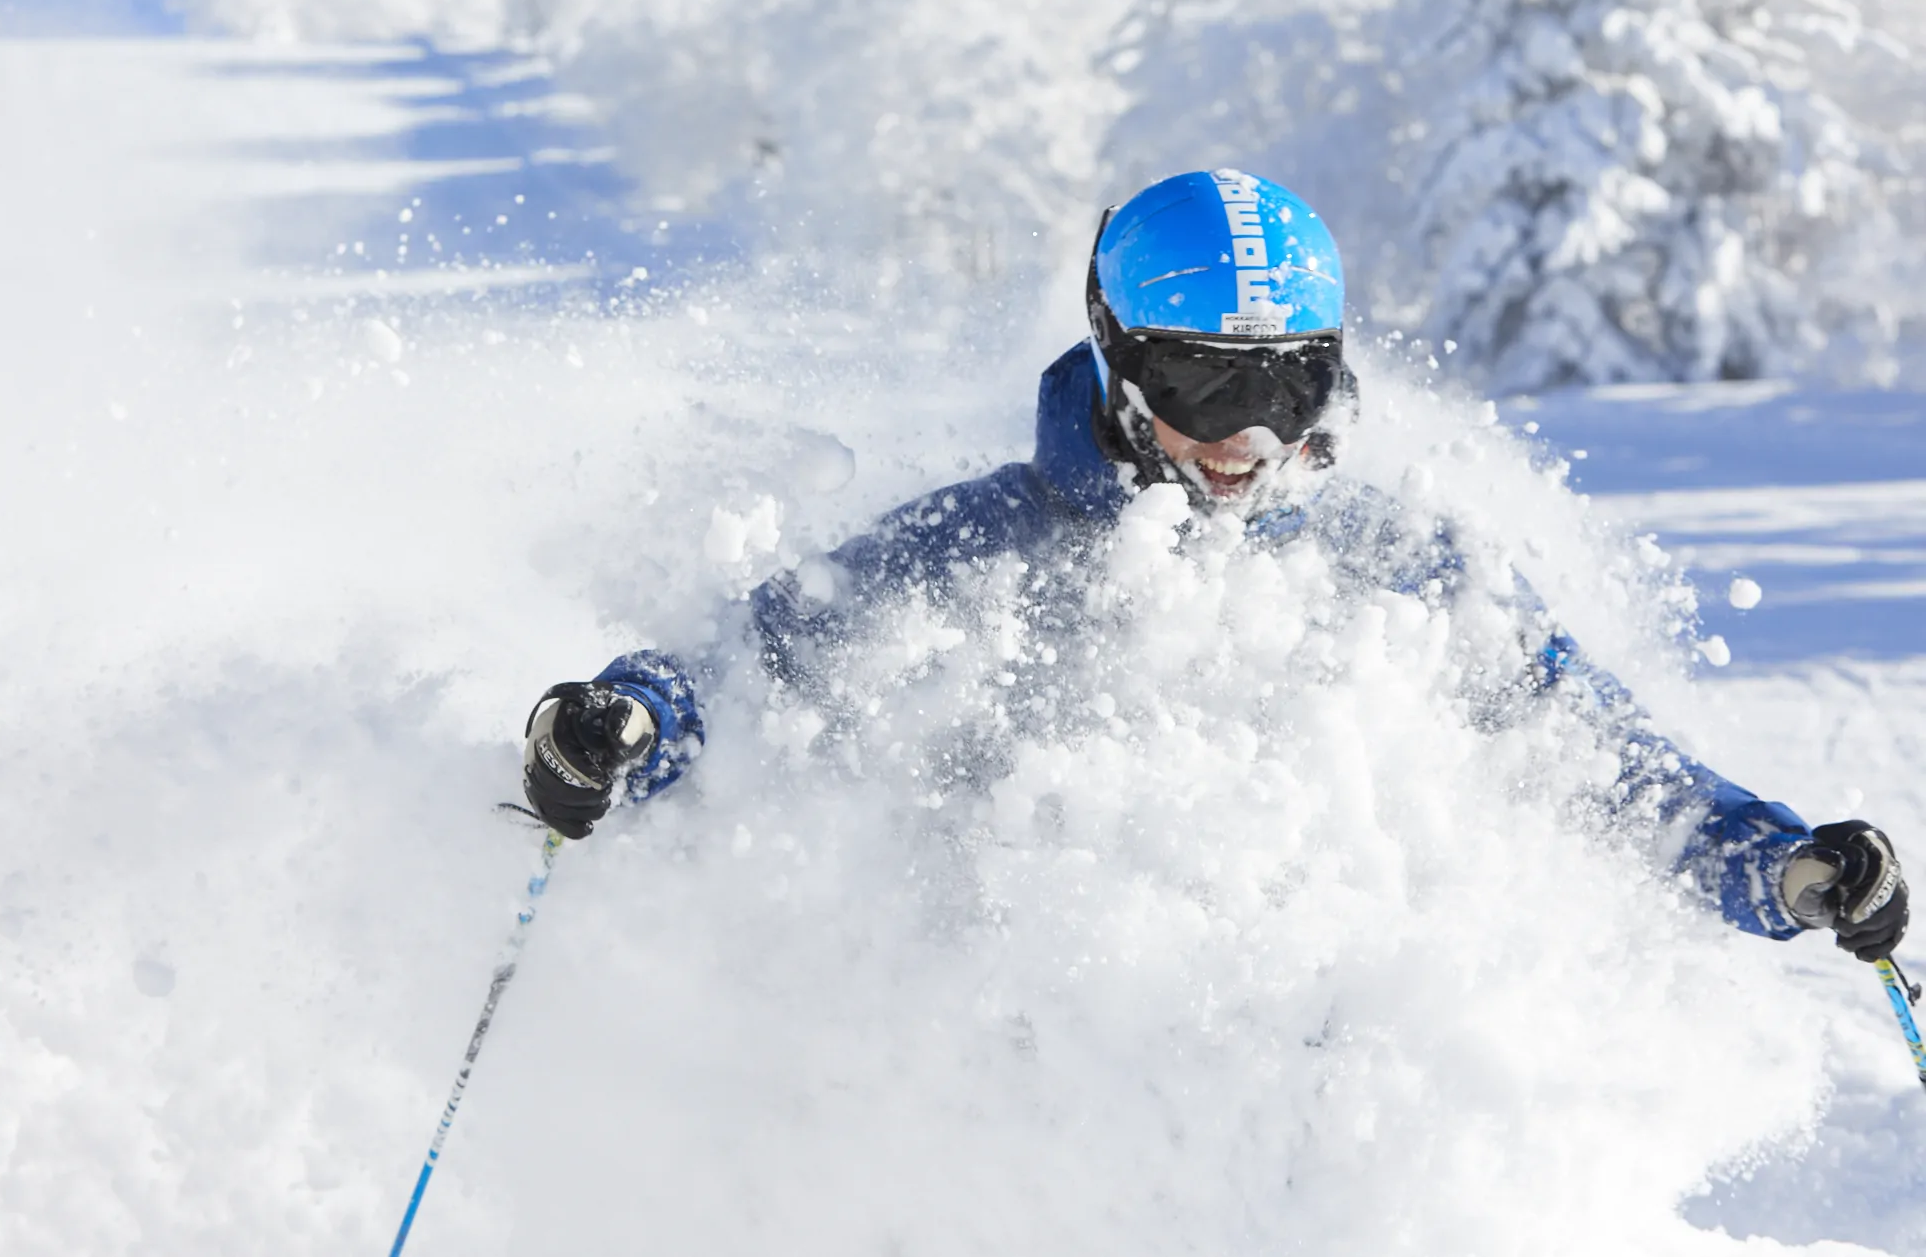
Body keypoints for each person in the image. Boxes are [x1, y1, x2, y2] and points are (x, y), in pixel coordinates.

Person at [518, 169, 1909, 964]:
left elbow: (1596, 758)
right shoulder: (979, 544)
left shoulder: (1402, 572)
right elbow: (754, 662)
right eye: (1201, 374)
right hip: (994, 1013)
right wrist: (624, 724)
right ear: (1121, 361)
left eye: (1291, 385)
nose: (1249, 436)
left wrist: (1776, 866)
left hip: (1296, 1041)